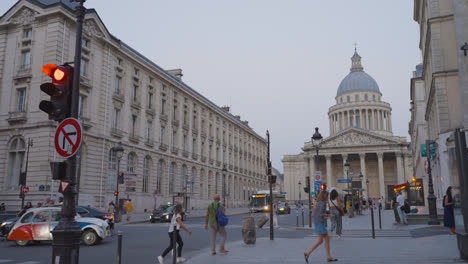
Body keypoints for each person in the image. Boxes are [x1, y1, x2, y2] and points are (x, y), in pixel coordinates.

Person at [304, 191, 337, 263]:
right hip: (320, 223)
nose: (328, 197)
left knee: (325, 240)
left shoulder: (318, 202)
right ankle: (308, 253)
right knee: (320, 240)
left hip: (317, 222)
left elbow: (314, 213)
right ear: (324, 196)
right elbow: (321, 214)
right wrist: (329, 215)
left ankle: (328, 257)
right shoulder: (323, 203)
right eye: (327, 196)